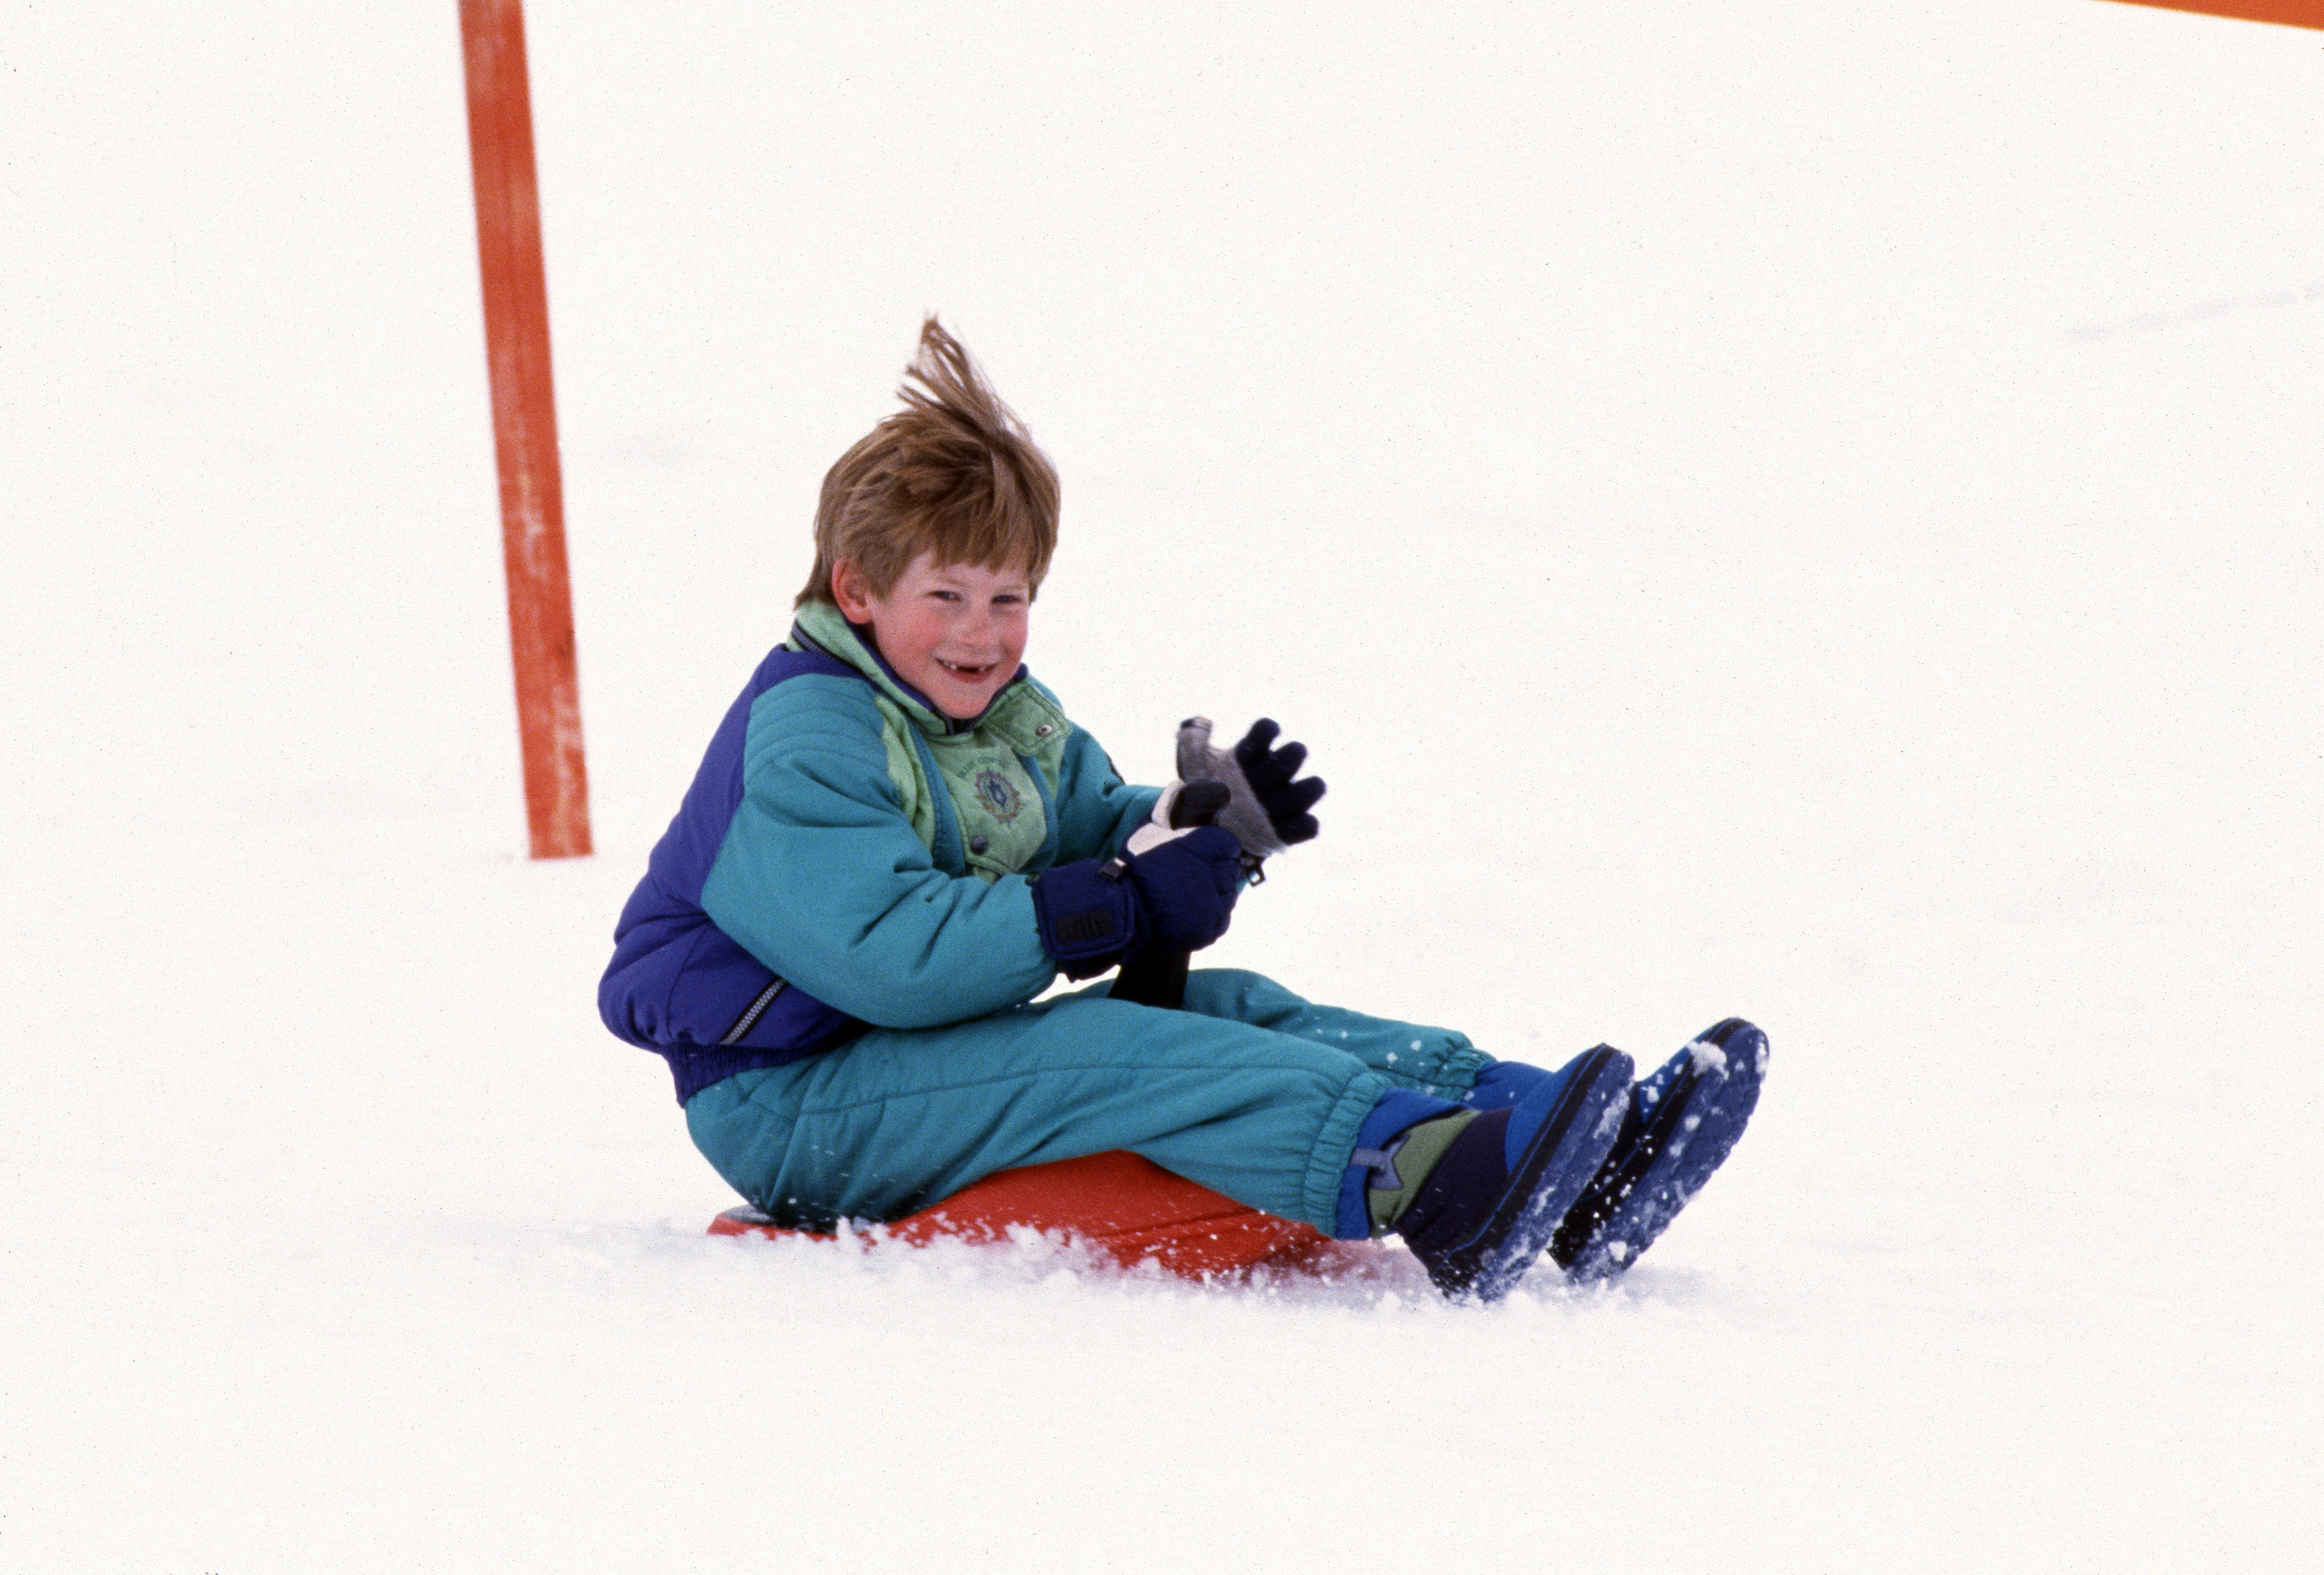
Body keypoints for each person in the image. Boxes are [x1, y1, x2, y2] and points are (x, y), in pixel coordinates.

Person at [598, 318, 1764, 1301]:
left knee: (1233, 1006)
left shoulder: (1002, 712)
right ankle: (1432, 1179)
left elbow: (1091, 822)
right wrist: (1106, 909)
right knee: (1113, 1049)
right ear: (855, 592)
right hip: (797, 1102)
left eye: (1008, 597)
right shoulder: (807, 735)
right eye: (943, 594)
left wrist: (1202, 826)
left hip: (908, 1061)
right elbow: (892, 957)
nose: (980, 631)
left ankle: (1543, 1132)